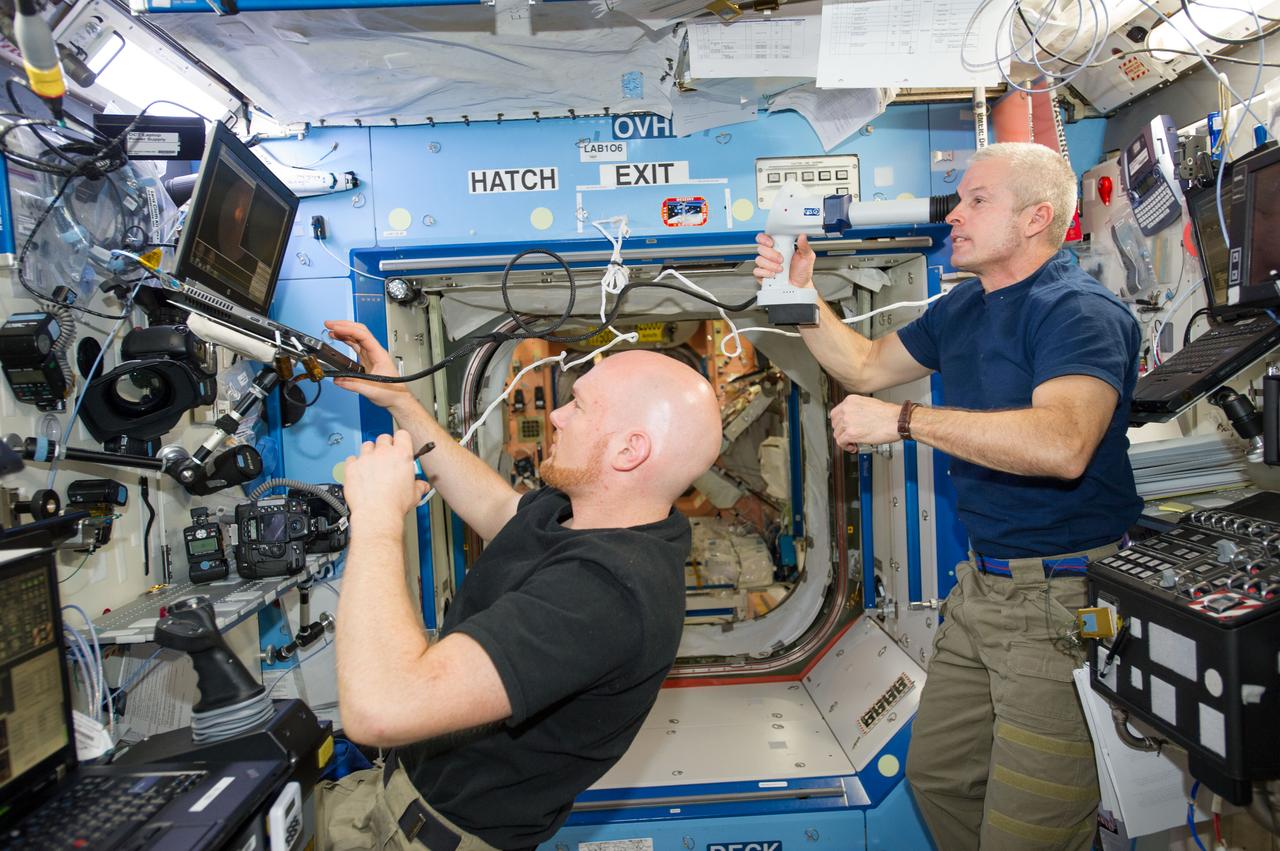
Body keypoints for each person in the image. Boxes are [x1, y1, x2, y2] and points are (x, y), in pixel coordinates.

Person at [754, 141, 1141, 850]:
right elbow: (867, 366)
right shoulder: (965, 308)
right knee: (938, 777)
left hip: (1061, 598)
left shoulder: (1077, 312)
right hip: (983, 589)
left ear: (1036, 218)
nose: (954, 216)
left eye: (977, 200)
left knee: (1032, 829)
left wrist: (905, 422)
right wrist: (801, 298)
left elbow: (1062, 444)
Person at [317, 320, 723, 850]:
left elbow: (381, 709)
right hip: (389, 793)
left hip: (422, 838)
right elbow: (494, 506)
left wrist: (375, 517)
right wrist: (401, 401)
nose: (554, 416)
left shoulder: (607, 594)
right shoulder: (586, 514)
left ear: (629, 451)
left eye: (578, 406)